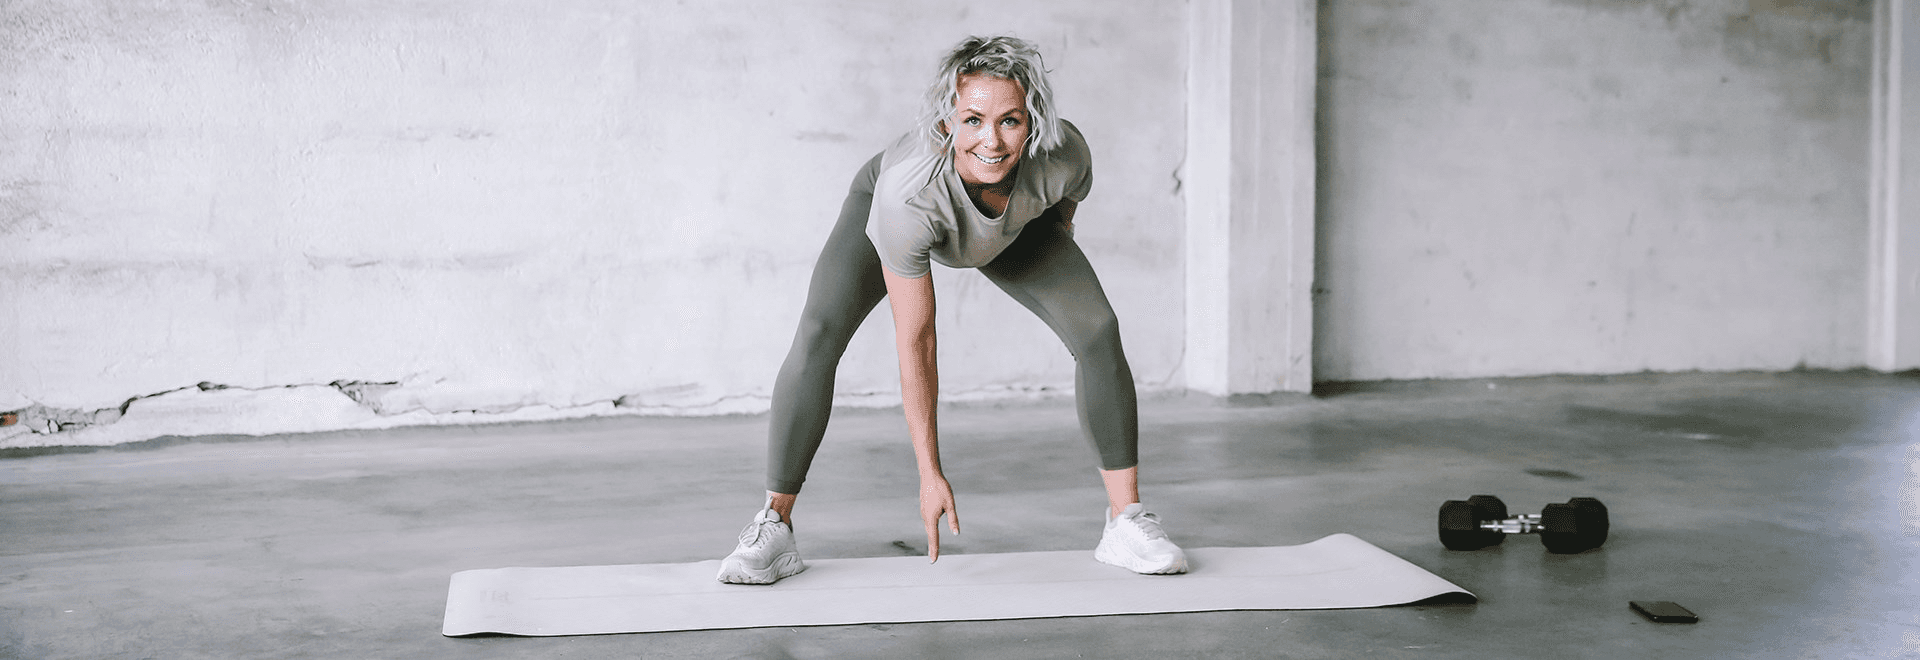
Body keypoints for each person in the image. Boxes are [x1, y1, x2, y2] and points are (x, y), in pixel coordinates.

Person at [717, 35, 1187, 584]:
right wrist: (930, 474)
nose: (992, 140)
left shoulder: (1064, 155)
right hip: (902, 210)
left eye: (1010, 121)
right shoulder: (906, 195)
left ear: (1033, 122)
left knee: (1098, 329)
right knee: (820, 332)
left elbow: (1064, 204)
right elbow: (917, 339)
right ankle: (773, 525)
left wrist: (1040, 239)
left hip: (1004, 225)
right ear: (947, 122)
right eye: (973, 121)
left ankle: (1126, 522)